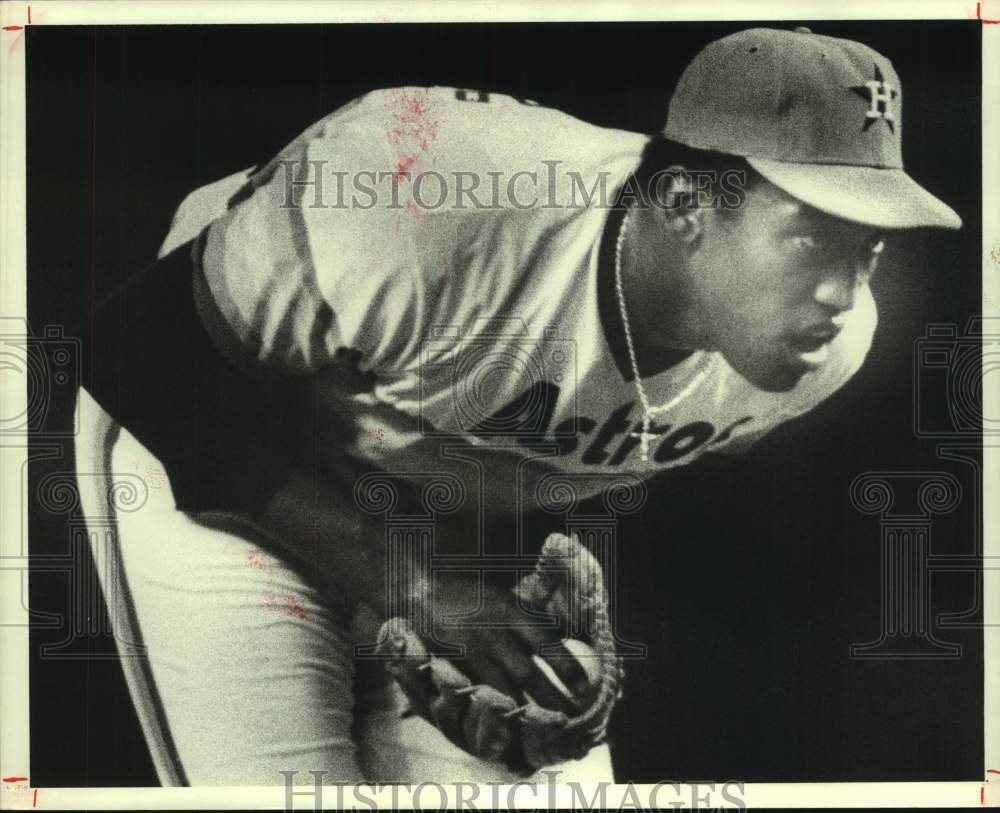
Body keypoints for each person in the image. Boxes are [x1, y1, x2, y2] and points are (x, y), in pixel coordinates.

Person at [73, 26, 961, 786]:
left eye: (868, 249)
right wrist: (407, 587)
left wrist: (546, 576)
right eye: (812, 236)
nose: (843, 293)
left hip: (432, 491)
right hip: (216, 416)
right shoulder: (422, 197)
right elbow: (142, 351)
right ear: (688, 203)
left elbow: (549, 433)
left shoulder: (821, 348)